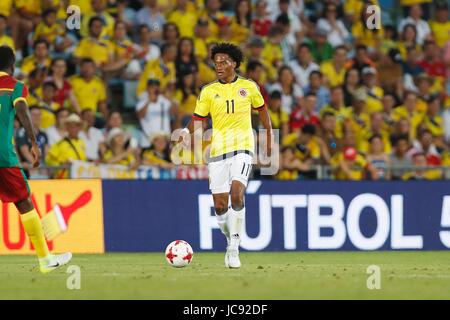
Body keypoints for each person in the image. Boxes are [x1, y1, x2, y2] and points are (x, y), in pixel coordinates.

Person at [180, 43, 273, 269]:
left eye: (223, 62)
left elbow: (262, 110)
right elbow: (199, 118)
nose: (219, 66)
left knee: (237, 193)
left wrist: (269, 136)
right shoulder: (209, 91)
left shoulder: (249, 87)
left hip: (243, 147)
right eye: (216, 63)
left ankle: (234, 247)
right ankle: (228, 236)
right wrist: (185, 131)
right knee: (220, 206)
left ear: (234, 64)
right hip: (218, 151)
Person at [0, 46, 71, 273]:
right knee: (23, 201)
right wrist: (33, 142)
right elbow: (22, 110)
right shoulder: (15, 86)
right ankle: (45, 259)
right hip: (2, 156)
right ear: (12, 64)